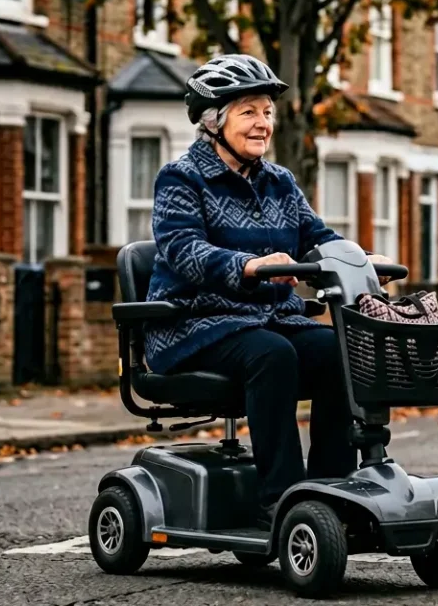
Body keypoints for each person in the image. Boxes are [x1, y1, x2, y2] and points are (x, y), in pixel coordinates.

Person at [142, 53, 393, 529]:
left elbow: (317, 238)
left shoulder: (279, 182)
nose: (263, 124)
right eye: (249, 112)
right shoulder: (181, 178)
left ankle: (328, 491)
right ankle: (279, 499)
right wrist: (249, 265)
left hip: (270, 321)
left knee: (343, 349)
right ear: (214, 122)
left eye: (267, 113)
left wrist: (357, 256)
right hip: (194, 324)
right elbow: (182, 250)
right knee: (272, 355)